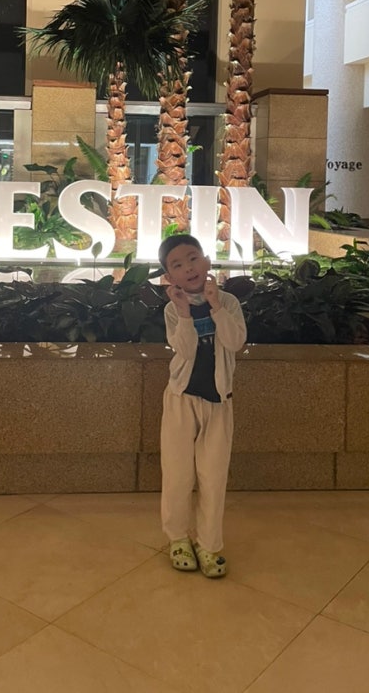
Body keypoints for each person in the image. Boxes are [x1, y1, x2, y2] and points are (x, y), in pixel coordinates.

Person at [158, 233, 247, 578]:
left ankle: (209, 544)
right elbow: (184, 350)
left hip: (219, 403)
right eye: (178, 265)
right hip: (182, 400)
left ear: (207, 261)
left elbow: (235, 342)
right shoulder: (172, 310)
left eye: (193, 258)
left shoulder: (228, 302)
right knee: (178, 474)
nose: (189, 268)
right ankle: (178, 538)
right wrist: (184, 313)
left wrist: (216, 306)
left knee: (213, 477)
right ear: (170, 277)